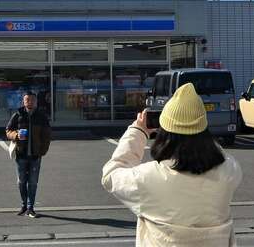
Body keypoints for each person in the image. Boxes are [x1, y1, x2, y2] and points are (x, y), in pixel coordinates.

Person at [102, 83, 242, 246]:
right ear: (204, 131)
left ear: (165, 134)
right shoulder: (229, 171)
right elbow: (219, 154)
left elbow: (111, 175)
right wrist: (196, 129)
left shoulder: (149, 178)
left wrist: (138, 131)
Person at [5, 91, 51, 218]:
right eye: (27, 100)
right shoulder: (17, 115)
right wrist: (16, 135)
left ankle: (31, 207)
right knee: (21, 182)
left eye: (32, 100)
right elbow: (8, 130)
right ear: (23, 101)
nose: (30, 102)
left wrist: (43, 150)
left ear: (36, 102)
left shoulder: (41, 116)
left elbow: (47, 135)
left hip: (36, 156)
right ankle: (24, 205)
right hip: (21, 155)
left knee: (33, 182)